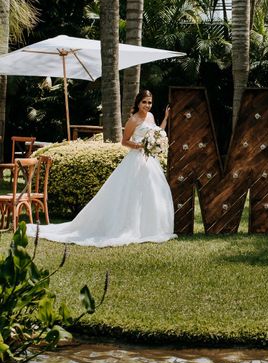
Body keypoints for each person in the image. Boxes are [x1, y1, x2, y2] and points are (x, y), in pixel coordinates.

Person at [27, 90, 176, 247]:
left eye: (149, 102)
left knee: (151, 192)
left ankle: (151, 228)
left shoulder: (151, 117)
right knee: (132, 194)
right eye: (144, 102)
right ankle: (130, 227)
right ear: (138, 103)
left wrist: (165, 119)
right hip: (136, 160)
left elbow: (158, 133)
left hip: (149, 161)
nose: (147, 105)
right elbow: (124, 142)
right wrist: (141, 145)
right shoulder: (133, 120)